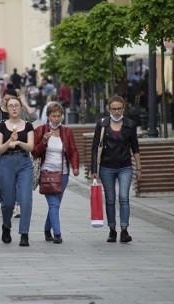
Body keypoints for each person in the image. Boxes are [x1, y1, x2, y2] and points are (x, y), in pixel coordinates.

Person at [90, 96, 141, 244]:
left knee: (124, 197)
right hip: (106, 167)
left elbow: (135, 147)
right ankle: (112, 230)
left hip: (125, 166)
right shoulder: (102, 124)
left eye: (119, 109)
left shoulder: (130, 125)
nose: (117, 112)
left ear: (123, 108)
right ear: (109, 109)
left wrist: (139, 168)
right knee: (110, 199)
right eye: (114, 109)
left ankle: (124, 230)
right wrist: (94, 169)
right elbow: (95, 147)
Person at [32, 102, 79, 244]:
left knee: (56, 204)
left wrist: (75, 167)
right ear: (48, 116)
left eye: (59, 116)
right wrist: (44, 141)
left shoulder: (67, 132)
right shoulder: (40, 130)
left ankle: (47, 229)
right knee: (53, 204)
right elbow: (34, 151)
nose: (57, 119)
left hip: (63, 173)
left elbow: (73, 150)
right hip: (46, 173)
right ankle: (57, 234)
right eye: (54, 116)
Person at [0, 96, 35, 247]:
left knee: (25, 199)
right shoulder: (1, 126)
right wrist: (9, 141)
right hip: (7, 162)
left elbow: (31, 147)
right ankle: (6, 226)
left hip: (24, 162)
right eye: (10, 106)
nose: (13, 108)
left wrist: (18, 142)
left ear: (21, 108)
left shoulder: (28, 126)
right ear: (6, 107)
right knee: (8, 202)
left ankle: (24, 233)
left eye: (16, 106)